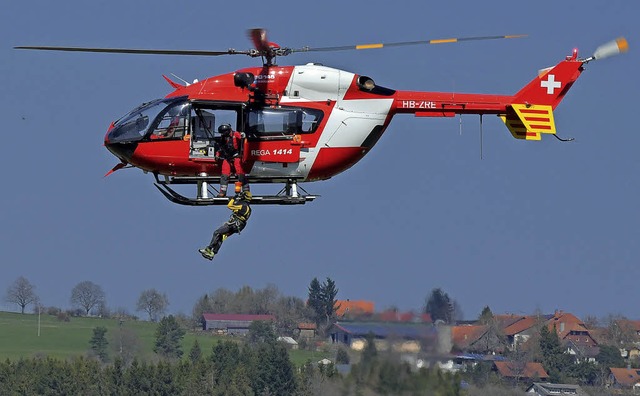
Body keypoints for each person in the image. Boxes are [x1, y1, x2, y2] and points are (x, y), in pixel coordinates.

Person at [198, 190, 252, 261]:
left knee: (217, 232)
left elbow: (230, 206)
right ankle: (213, 253)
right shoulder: (249, 208)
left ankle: (209, 249)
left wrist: (233, 199)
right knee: (221, 235)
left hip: (234, 224)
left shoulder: (242, 205)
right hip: (239, 226)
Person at [215, 124, 249, 197]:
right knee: (224, 174)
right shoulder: (223, 138)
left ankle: (246, 190)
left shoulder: (235, 134)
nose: (223, 134)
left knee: (240, 173)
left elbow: (241, 138)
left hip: (236, 156)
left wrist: (243, 136)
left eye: (224, 132)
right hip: (227, 158)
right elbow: (220, 147)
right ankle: (222, 191)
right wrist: (217, 155)